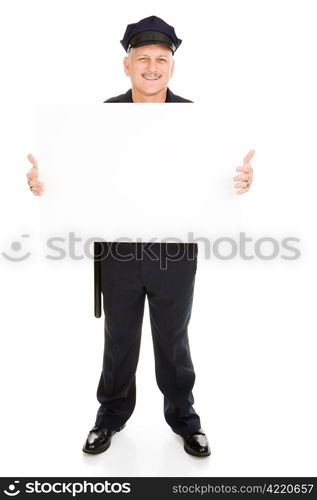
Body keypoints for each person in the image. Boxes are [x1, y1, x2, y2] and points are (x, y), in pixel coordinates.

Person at [26, 15, 254, 457]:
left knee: (173, 337)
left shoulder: (198, 120)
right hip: (117, 249)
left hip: (175, 249)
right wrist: (44, 182)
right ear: (127, 65)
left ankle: (184, 419)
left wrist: (241, 181)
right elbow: (78, 176)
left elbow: (216, 179)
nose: (152, 67)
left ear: (172, 66)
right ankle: (109, 416)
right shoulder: (100, 118)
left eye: (161, 59)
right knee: (120, 336)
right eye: (142, 58)